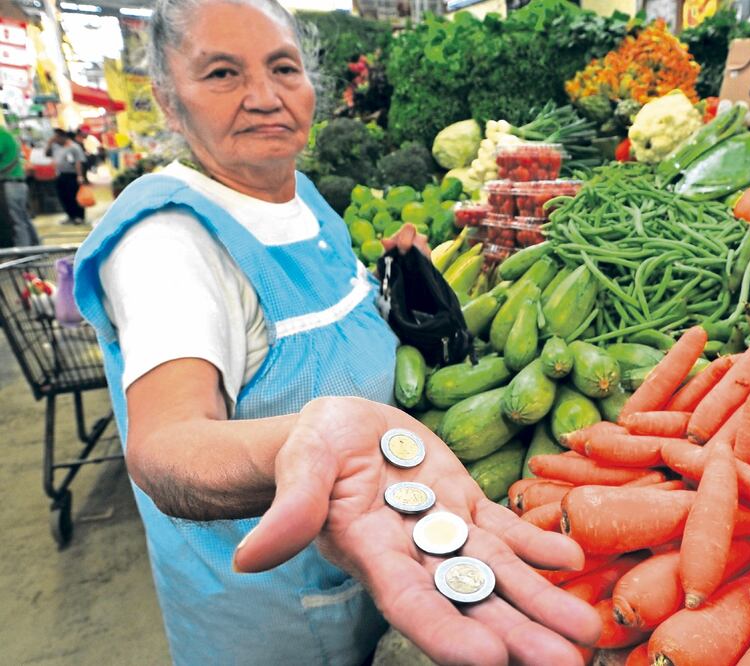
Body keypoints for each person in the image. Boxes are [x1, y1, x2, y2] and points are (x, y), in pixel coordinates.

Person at [73, 1, 601, 665]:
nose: (264, 97)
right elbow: (165, 447)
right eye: (222, 74)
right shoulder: (167, 243)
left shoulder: (295, 192)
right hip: (268, 616)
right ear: (168, 102)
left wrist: (405, 275)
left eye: (282, 67)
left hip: (372, 557)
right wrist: (309, 447)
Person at [0, 124, 40, 247]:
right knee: (23, 217)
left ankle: (24, 250)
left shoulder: (2, 136)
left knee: (15, 220)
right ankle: (35, 245)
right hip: (18, 183)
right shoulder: (7, 135)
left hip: (10, 184)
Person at [46, 128, 87, 224]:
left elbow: (78, 162)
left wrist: (80, 176)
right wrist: (49, 143)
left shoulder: (74, 147)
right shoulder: (56, 147)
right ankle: (70, 216)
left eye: (56, 136)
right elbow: (47, 154)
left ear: (62, 136)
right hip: (60, 175)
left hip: (72, 175)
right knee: (63, 197)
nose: (55, 138)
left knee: (74, 196)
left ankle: (79, 216)